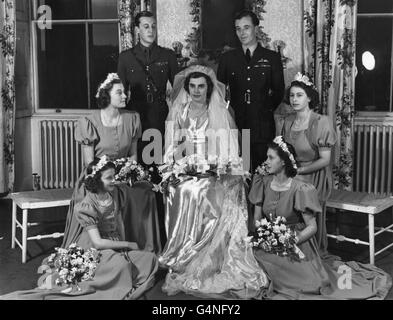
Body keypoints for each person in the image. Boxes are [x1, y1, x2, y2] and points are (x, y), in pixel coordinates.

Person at [158, 65, 271, 299]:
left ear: (209, 88)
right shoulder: (180, 111)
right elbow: (170, 147)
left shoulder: (218, 110)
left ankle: (209, 253)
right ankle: (183, 253)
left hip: (214, 169)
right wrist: (175, 167)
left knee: (208, 190)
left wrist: (219, 165)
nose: (197, 90)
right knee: (183, 189)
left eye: (201, 86)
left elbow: (230, 147)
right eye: (192, 86)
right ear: (187, 88)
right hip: (187, 169)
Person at [248, 137, 392, 300]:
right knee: (254, 259)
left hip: (298, 244)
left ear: (283, 162)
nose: (266, 162)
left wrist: (292, 240)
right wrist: (267, 236)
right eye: (266, 157)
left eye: (271, 157)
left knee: (308, 285)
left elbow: (312, 226)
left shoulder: (301, 189)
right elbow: (257, 220)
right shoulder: (262, 182)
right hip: (271, 240)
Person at [1, 159, 158, 300]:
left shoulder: (113, 193)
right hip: (94, 248)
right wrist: (129, 244)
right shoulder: (87, 205)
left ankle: (118, 269)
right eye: (109, 178)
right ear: (97, 180)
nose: (114, 180)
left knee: (149, 259)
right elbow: (98, 243)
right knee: (122, 266)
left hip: (114, 245)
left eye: (114, 176)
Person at [62, 73, 161, 254]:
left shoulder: (132, 118)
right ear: (106, 96)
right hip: (98, 175)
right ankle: (113, 246)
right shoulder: (89, 121)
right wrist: (110, 177)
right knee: (109, 195)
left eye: (125, 92)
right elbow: (89, 163)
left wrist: (130, 172)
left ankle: (143, 247)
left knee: (146, 193)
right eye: (120, 93)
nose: (125, 96)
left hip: (124, 173)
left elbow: (133, 155)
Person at [217, 9, 285, 171]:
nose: (242, 32)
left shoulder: (271, 58)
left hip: (262, 125)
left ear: (256, 29)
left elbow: (279, 91)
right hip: (238, 124)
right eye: (238, 28)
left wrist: (263, 109)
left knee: (263, 170)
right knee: (241, 171)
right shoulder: (228, 59)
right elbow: (219, 91)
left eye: (246, 27)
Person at [278, 72, 336, 254]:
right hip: (293, 173)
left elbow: (325, 160)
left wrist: (299, 171)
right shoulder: (287, 121)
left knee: (297, 192)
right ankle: (279, 241)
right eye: (292, 95)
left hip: (313, 176)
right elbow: (283, 152)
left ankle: (306, 248)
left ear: (309, 97)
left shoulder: (321, 122)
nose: (294, 99)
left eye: (299, 95)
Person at [117, 10, 178, 154]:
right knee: (135, 159)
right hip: (135, 113)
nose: (151, 30)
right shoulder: (126, 57)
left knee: (157, 158)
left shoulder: (167, 55)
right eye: (146, 26)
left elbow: (179, 87)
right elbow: (120, 92)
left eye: (153, 26)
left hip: (159, 113)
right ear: (137, 30)